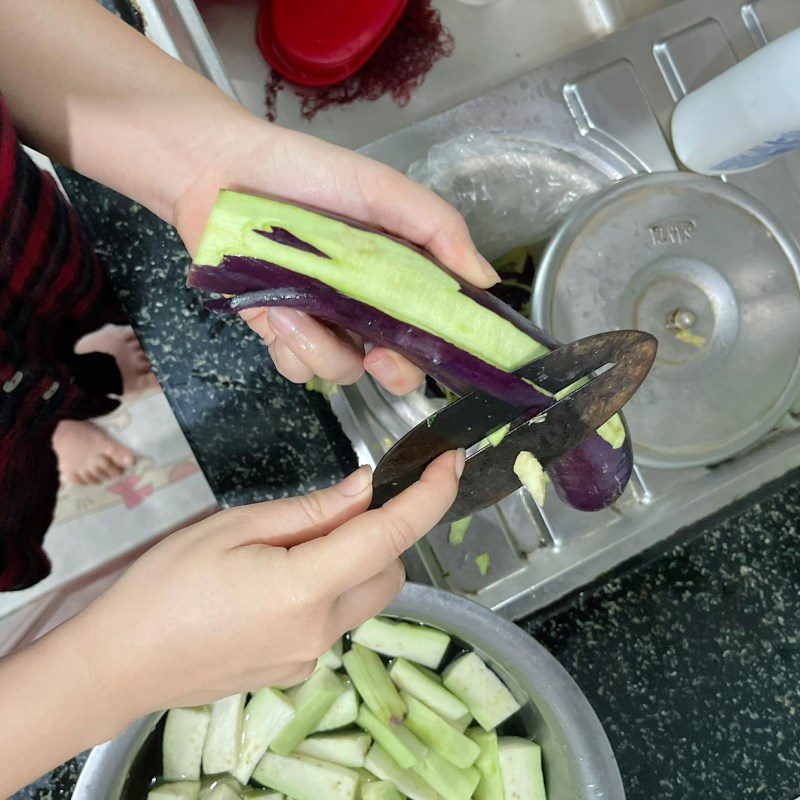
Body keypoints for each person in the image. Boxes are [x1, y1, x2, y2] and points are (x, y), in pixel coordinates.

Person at [0, 0, 497, 793]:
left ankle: (61, 399)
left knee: (47, 375)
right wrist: (99, 677)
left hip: (16, 292)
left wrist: (205, 163)